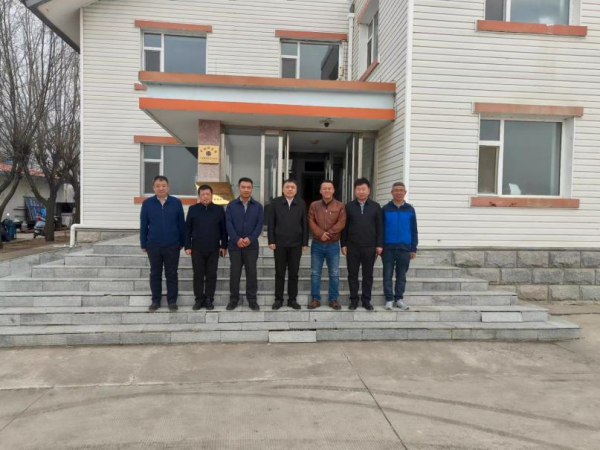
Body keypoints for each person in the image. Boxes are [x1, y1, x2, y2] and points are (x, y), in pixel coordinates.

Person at [140, 176, 185, 312]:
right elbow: (144, 225)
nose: (161, 188)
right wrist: (143, 243)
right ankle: (156, 301)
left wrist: (182, 241)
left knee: (172, 274)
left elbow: (181, 224)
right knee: (155, 273)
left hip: (173, 245)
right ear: (153, 188)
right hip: (154, 245)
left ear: (168, 187)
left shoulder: (176, 203)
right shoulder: (147, 203)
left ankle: (172, 301)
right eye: (158, 186)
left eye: (164, 186)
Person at [341, 178, 383, 311]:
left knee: (368, 275)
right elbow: (344, 227)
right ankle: (354, 300)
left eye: (363, 189)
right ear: (355, 191)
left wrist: (379, 245)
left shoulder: (376, 206)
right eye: (358, 189)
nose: (361, 192)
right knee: (352, 274)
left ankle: (366, 300)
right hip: (352, 246)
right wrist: (343, 244)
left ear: (369, 190)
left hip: (370, 247)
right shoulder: (348, 206)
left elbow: (380, 227)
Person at [185, 184, 228, 311]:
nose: (205, 197)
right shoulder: (193, 209)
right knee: (198, 274)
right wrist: (187, 245)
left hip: (213, 248)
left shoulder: (219, 210)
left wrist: (224, 245)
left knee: (211, 274)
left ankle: (209, 299)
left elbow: (224, 229)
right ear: (199, 196)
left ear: (212, 195)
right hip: (197, 248)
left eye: (208, 194)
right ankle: (199, 299)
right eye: (203, 194)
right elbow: (187, 229)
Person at [268, 179, 308, 310]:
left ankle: (292, 299)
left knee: (294, 273)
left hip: (296, 244)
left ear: (296, 190)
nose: (290, 189)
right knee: (279, 273)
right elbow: (271, 222)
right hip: (279, 244)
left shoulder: (301, 203)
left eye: (292, 187)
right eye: (287, 187)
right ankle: (278, 299)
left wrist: (305, 242)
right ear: (282, 189)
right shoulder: (276, 202)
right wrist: (271, 240)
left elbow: (304, 223)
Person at [226, 177, 264, 311]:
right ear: (239, 188)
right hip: (235, 246)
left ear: (252, 189)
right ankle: (233, 300)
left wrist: (250, 239)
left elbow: (259, 225)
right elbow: (228, 224)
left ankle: (252, 301)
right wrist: (236, 239)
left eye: (248, 187)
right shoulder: (231, 205)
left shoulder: (258, 206)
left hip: (251, 247)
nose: (246, 189)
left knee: (251, 274)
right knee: (234, 274)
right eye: (243, 187)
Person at [308, 180, 346, 310]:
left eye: (329, 188)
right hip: (317, 244)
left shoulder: (340, 205)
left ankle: (333, 299)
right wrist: (320, 234)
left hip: (333, 244)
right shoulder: (314, 205)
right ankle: (315, 299)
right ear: (320, 191)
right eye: (324, 188)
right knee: (315, 273)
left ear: (333, 190)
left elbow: (342, 222)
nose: (327, 190)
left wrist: (328, 234)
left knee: (334, 273)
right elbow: (311, 221)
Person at [382, 182, 418, 310]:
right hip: (388, 248)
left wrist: (413, 248)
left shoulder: (410, 209)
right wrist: (380, 246)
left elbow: (414, 230)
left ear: (405, 192)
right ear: (392, 192)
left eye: (401, 190)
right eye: (396, 190)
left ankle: (399, 299)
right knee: (387, 275)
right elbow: (380, 229)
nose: (398, 192)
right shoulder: (385, 209)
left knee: (401, 276)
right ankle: (389, 300)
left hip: (405, 248)